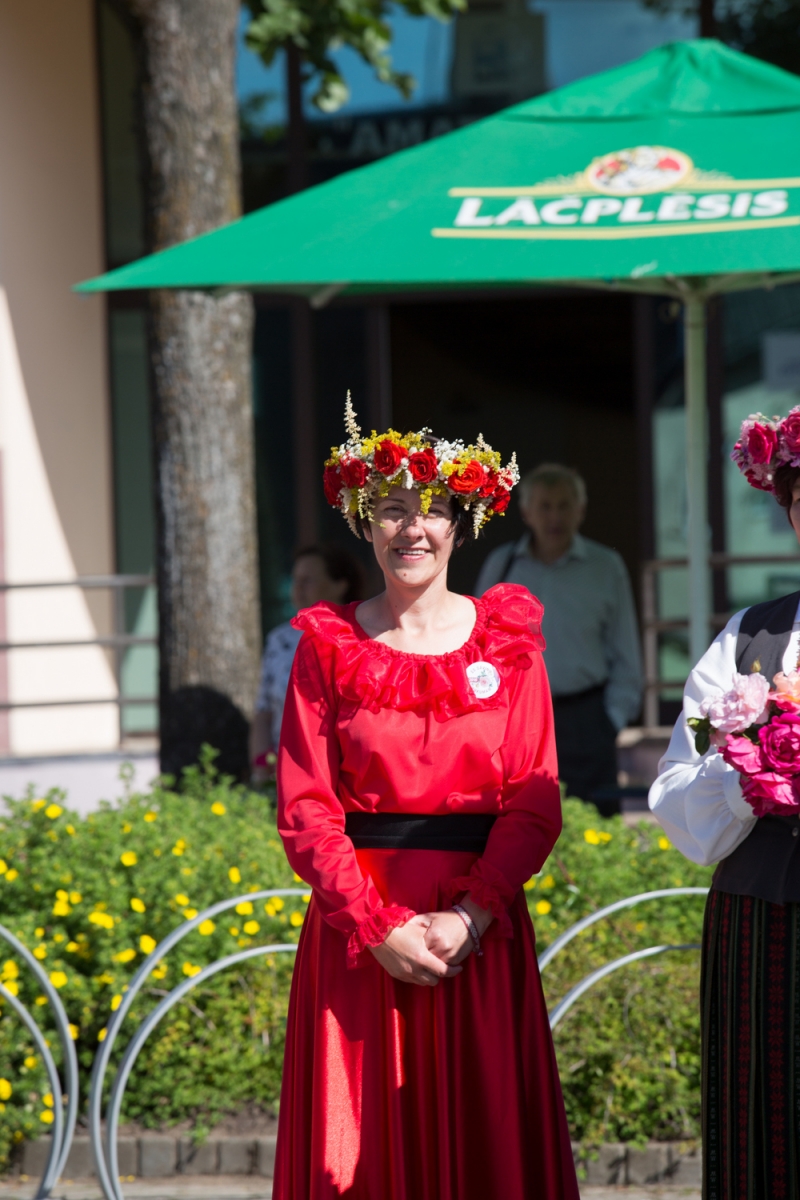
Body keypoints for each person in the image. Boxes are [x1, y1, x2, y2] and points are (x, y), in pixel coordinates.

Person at [274, 398, 579, 1200]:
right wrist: (375, 929)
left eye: (433, 510)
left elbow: (535, 802)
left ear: (462, 524)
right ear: (363, 525)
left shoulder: (509, 640)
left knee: (487, 1150)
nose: (411, 528)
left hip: (474, 937)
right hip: (358, 938)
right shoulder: (326, 648)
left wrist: (470, 916)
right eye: (390, 510)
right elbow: (306, 809)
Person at [650, 408, 800, 1200]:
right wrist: (752, 767)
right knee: (764, 1141)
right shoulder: (748, 643)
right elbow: (685, 770)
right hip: (764, 924)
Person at [476, 462, 643, 815]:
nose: (555, 516)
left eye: (564, 505)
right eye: (545, 506)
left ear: (580, 510)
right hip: (519, 715)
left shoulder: (605, 565)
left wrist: (611, 720)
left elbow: (625, 647)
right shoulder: (502, 564)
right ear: (525, 511)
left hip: (587, 717)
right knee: (521, 822)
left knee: (594, 829)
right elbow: (479, 645)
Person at [250, 545, 364, 781]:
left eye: (308, 580)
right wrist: (261, 766)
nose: (298, 587)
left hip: (347, 773)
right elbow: (264, 710)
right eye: (295, 579)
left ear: (340, 585)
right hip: (286, 770)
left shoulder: (363, 636)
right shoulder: (279, 639)